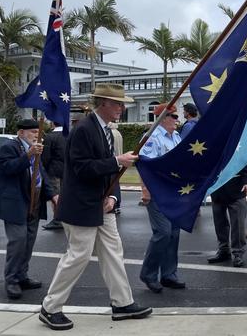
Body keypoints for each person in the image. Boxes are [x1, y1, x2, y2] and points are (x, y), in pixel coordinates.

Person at [40, 84, 151, 331]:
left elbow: (108, 172)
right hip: (81, 206)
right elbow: (81, 168)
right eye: (118, 103)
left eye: (122, 104)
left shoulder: (105, 131)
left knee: (113, 253)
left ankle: (122, 303)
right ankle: (50, 307)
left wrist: (112, 197)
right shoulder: (84, 130)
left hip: (102, 205)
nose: (122, 108)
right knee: (78, 256)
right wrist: (116, 161)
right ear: (103, 103)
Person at [0, 119, 58, 299]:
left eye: (38, 133)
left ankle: (22, 276)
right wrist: (29, 155)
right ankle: (12, 280)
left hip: (35, 201)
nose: (37, 135)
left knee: (29, 242)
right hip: (15, 203)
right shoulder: (9, 148)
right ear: (21, 133)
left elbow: (41, 173)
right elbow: (8, 168)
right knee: (18, 241)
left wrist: (53, 195)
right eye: (32, 132)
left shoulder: (36, 149)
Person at [138, 103, 186, 293]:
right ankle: (148, 274)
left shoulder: (175, 136)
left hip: (174, 193)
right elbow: (145, 166)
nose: (176, 121)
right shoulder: (151, 138)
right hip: (157, 192)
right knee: (163, 232)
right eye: (173, 117)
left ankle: (169, 274)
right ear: (163, 118)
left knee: (174, 233)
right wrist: (145, 190)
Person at [207, 166, 247, 267]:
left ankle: (238, 253)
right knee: (220, 224)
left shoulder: (237, 149)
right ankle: (223, 250)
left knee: (238, 225)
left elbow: (246, 166)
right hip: (217, 191)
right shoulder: (212, 150)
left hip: (236, 190)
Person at [41, 122, 66, 230]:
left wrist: (44, 170)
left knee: (55, 195)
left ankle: (58, 219)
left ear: (52, 124)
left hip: (54, 171)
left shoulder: (50, 137)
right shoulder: (70, 135)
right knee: (64, 195)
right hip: (67, 170)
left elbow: (45, 157)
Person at [108, 122, 124, 215]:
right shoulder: (118, 133)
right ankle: (118, 204)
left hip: (113, 161)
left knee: (113, 184)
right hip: (119, 160)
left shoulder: (110, 133)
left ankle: (115, 204)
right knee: (116, 183)